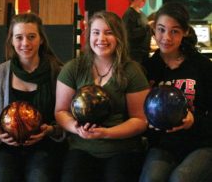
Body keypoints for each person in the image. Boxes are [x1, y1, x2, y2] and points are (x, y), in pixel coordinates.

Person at [55, 11, 150, 182]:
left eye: (109, 32)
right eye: (96, 32)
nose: (101, 39)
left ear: (119, 37)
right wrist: (76, 128)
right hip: (82, 148)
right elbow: (61, 111)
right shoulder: (73, 68)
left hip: (122, 149)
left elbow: (140, 120)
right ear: (88, 35)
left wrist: (106, 133)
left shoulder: (131, 70)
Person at [0, 13, 66, 182]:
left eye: (31, 37)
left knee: (39, 178)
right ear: (11, 41)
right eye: (19, 37)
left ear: (41, 39)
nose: (25, 43)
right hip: (6, 148)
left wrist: (49, 130)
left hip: (45, 146)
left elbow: (67, 117)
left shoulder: (58, 73)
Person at [140, 2, 212, 182]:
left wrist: (193, 122)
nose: (166, 37)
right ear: (153, 29)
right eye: (161, 29)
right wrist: (148, 124)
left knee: (181, 178)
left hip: (201, 144)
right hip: (164, 146)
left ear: (185, 32)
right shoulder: (147, 68)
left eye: (175, 31)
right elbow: (138, 114)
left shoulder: (202, 66)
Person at [122, 0, 152, 64]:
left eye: (145, 0)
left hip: (144, 53)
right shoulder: (129, 15)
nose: (145, 3)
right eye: (143, 0)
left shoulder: (142, 14)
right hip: (135, 55)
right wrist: (147, 27)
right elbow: (128, 34)